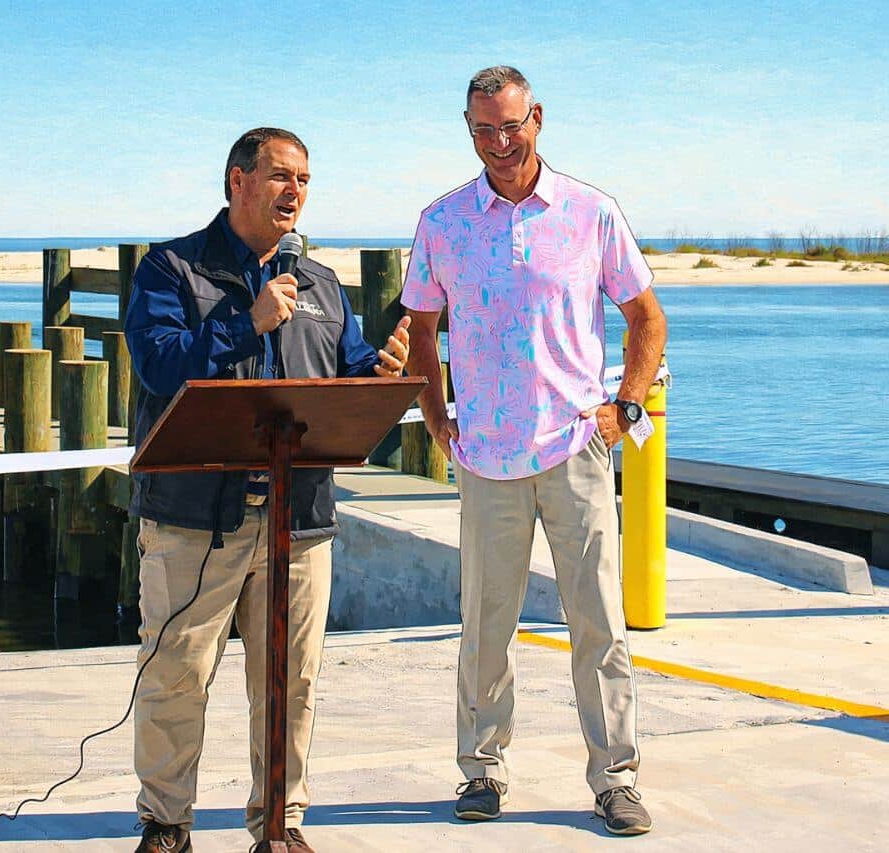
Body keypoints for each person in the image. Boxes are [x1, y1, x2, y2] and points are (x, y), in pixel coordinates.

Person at [124, 127, 411, 853]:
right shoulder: (171, 269)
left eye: (305, 180)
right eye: (281, 175)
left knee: (293, 680)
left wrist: (376, 377)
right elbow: (160, 369)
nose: (295, 192)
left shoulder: (318, 284)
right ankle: (166, 823)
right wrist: (243, 321)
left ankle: (279, 825)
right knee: (175, 677)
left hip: (300, 518)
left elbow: (342, 379)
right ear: (237, 181)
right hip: (197, 519)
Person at [401, 66, 668, 837]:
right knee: (485, 626)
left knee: (600, 622)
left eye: (510, 125)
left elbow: (647, 319)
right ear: (468, 129)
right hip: (485, 456)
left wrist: (626, 406)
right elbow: (422, 327)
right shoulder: (443, 221)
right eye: (483, 130)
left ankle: (615, 777)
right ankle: (482, 770)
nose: (499, 143)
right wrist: (434, 412)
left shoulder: (592, 213)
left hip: (576, 448)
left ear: (537, 118)